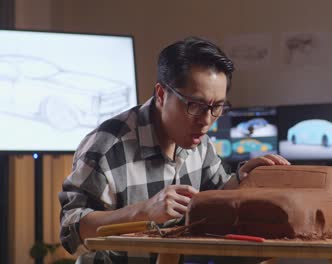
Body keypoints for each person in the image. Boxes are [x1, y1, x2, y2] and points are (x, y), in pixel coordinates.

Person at [59, 36, 290, 263]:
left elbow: (216, 193)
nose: (207, 121)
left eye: (217, 107)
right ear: (161, 94)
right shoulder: (107, 146)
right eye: (195, 106)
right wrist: (143, 212)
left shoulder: (201, 142)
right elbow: (71, 230)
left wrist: (242, 179)